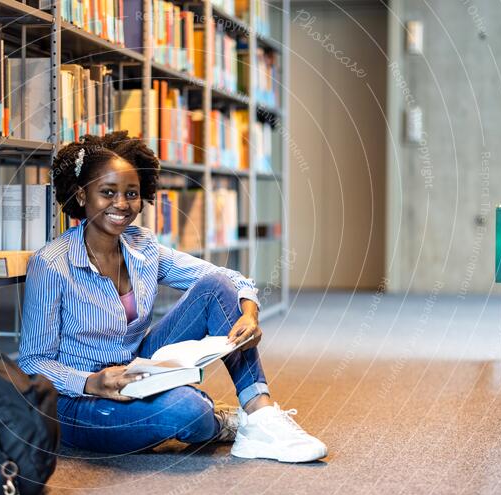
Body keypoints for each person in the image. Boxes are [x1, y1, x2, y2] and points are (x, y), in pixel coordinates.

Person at [19, 132, 327, 462]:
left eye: (131, 194)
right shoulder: (51, 264)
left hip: (137, 372)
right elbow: (32, 362)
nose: (122, 204)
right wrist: (92, 382)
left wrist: (249, 312)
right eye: (108, 193)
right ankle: (216, 420)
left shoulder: (143, 246)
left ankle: (260, 414)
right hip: (78, 402)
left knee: (215, 285)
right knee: (187, 411)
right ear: (82, 195)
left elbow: (230, 280)